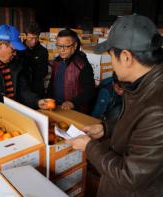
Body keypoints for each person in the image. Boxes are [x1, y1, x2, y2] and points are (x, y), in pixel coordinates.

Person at [66, 15, 163, 197]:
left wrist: (90, 147)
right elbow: (136, 124)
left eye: (111, 57)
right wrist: (106, 128)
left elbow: (130, 176)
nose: (112, 63)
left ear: (126, 57)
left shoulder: (157, 109)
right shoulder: (142, 84)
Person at [47, 28, 96, 114]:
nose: (61, 50)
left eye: (66, 46)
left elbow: (90, 90)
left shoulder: (82, 65)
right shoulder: (57, 61)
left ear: (75, 45)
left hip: (74, 111)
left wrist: (73, 103)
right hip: (56, 107)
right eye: (58, 46)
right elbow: (52, 83)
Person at [21, 23, 49, 98]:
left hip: (37, 89)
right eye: (31, 38)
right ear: (25, 36)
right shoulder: (18, 50)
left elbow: (44, 71)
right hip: (22, 89)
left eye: (36, 38)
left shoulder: (43, 51)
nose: (33, 41)